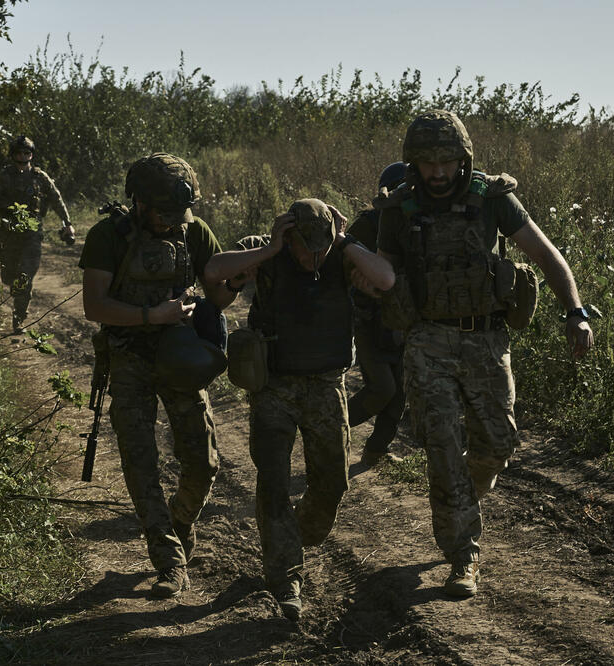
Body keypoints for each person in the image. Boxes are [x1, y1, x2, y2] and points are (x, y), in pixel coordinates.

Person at [376, 110, 594, 598]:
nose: (437, 172)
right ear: (413, 162)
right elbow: (385, 272)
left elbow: (545, 254)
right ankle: (463, 555)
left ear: (463, 159)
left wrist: (576, 312)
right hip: (427, 341)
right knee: (442, 445)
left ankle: (463, 497)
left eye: (447, 162)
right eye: (427, 162)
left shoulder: (491, 199)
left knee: (498, 443)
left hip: (486, 338)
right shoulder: (400, 207)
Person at [204, 199, 395, 620]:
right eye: (304, 248)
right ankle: (285, 577)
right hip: (274, 386)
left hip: (327, 386)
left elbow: (385, 278)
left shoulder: (341, 255)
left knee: (332, 484)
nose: (312, 256)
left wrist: (343, 242)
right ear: (287, 235)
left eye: (320, 247)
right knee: (272, 480)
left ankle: (292, 534)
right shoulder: (268, 251)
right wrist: (269, 250)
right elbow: (214, 272)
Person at [79, 153, 236, 598]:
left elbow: (216, 297)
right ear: (138, 202)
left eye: (176, 215)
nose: (170, 223)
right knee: (141, 463)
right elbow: (95, 306)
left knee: (203, 464)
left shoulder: (194, 231)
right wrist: (152, 314)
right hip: (129, 360)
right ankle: (169, 560)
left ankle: (179, 522)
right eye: (162, 214)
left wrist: (237, 283)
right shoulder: (107, 236)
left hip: (180, 359)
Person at [346, 161, 410, 466]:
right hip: (370, 320)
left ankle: (375, 450)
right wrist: (365, 285)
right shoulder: (368, 224)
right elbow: (343, 265)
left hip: (403, 322)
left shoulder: (419, 223)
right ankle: (331, 430)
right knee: (383, 388)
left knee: (399, 395)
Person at [0, 135, 75, 334]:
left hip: (32, 234)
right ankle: (17, 294)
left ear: (31, 155)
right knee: (9, 276)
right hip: (9, 233)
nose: (23, 157)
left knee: (25, 276)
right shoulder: (5, 176)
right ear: (13, 155)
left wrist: (67, 224)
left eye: (26, 153)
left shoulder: (39, 177)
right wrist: (8, 213)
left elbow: (56, 200)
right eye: (19, 153)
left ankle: (19, 317)